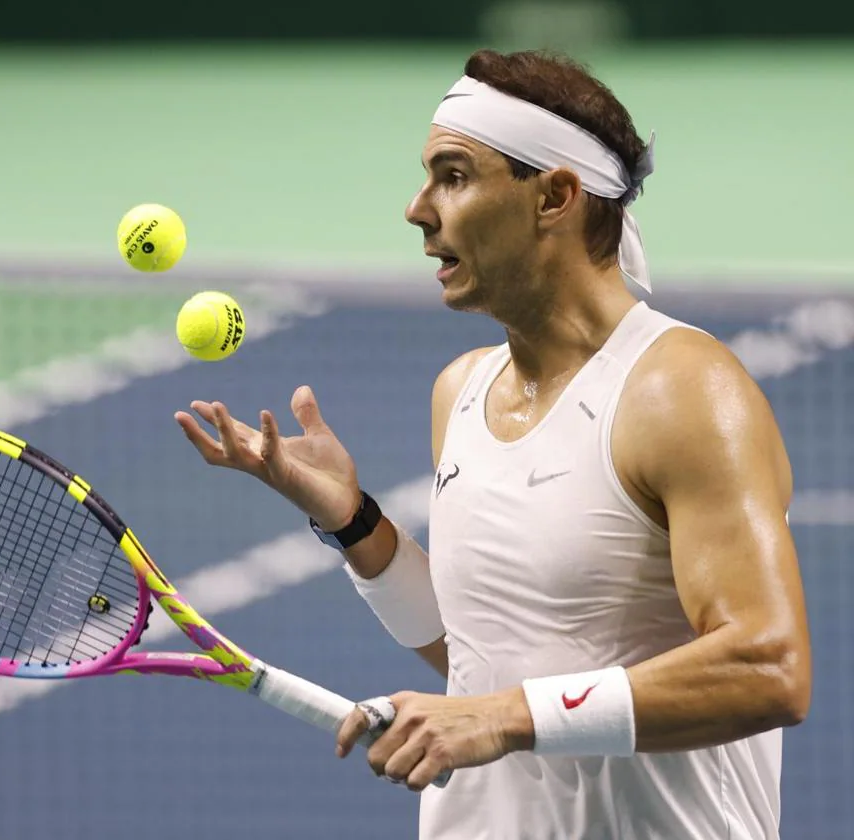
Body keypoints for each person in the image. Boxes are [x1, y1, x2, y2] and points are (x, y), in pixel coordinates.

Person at [173, 48, 811, 839]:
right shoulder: (463, 390)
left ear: (555, 196)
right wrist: (353, 523)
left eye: (454, 175)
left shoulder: (682, 391)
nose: (417, 208)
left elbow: (768, 668)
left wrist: (508, 717)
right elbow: (483, 661)